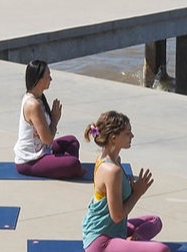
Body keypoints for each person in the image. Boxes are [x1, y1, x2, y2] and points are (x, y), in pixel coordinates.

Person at [81, 111, 167, 252]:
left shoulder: (114, 160)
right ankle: (127, 244)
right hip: (102, 241)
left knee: (155, 221)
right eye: (128, 133)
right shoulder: (111, 170)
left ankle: (133, 241)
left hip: (115, 230)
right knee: (161, 250)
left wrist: (132, 189)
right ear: (114, 138)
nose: (132, 136)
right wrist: (137, 193)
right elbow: (117, 216)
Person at [13, 60, 83, 178]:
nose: (51, 79)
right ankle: (66, 166)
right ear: (39, 79)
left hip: (44, 151)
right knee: (74, 163)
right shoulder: (33, 105)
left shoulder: (40, 97)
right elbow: (48, 140)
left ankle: (62, 165)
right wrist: (55, 120)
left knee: (72, 141)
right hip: (30, 160)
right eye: (48, 75)